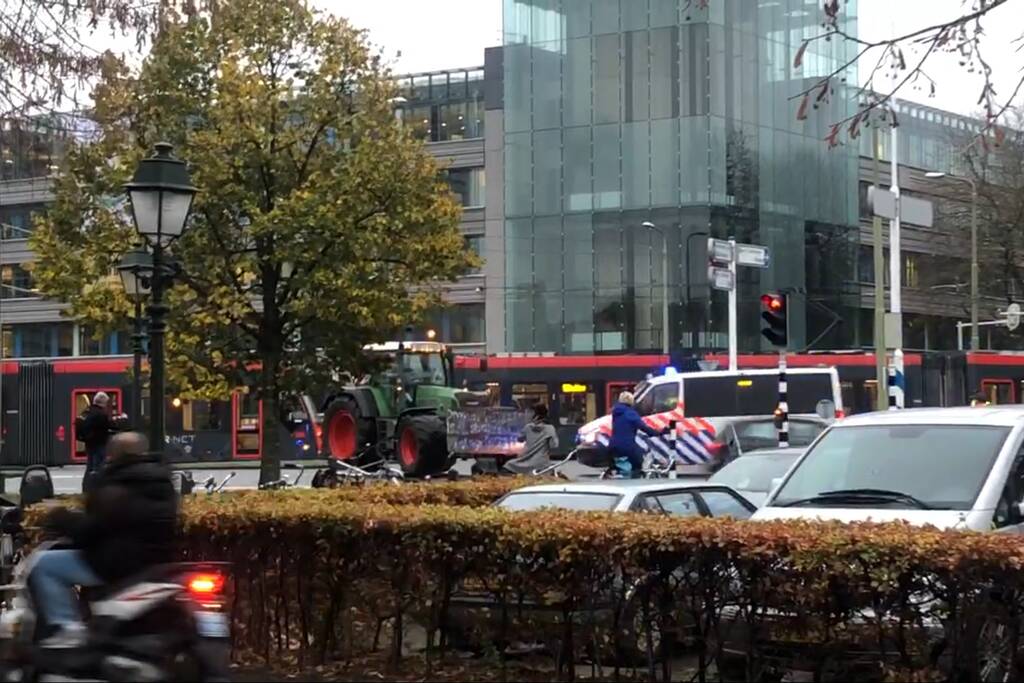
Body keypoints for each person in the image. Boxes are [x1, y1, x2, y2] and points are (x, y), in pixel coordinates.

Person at [34, 432, 177, 648]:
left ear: (112, 456)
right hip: (155, 561)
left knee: (44, 565)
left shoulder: (116, 483)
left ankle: (67, 630)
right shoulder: (162, 481)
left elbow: (90, 530)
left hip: (116, 563)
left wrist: (59, 516)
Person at [609, 391, 664, 478]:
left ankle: (620, 474)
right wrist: (658, 432)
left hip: (613, 445)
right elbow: (643, 427)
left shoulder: (616, 412)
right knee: (639, 463)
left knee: (621, 464)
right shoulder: (630, 413)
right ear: (631, 401)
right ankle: (635, 482)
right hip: (627, 446)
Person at [504, 404, 559, 475]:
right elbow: (554, 445)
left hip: (524, 462)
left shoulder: (527, 427)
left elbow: (519, 439)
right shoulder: (550, 428)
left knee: (508, 465)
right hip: (542, 464)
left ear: (535, 415)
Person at [76, 392, 115, 475]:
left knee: (90, 465)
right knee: (99, 466)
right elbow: (108, 426)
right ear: (103, 402)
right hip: (99, 444)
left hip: (88, 443)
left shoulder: (86, 411)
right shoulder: (101, 414)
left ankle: (87, 484)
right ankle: (96, 484)